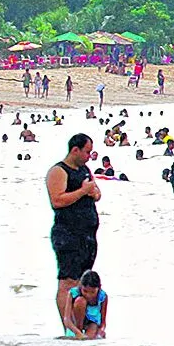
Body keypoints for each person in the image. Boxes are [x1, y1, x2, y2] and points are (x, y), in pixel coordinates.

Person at [46, 133, 101, 330]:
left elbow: (96, 192)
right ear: (75, 150)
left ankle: (81, 324)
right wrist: (83, 192)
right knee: (67, 281)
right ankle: (68, 327)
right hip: (67, 233)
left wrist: (93, 192)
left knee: (83, 282)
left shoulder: (85, 169)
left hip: (87, 235)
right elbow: (57, 200)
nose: (89, 156)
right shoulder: (59, 171)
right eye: (87, 152)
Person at [64, 269, 109, 339]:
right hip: (76, 324)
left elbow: (103, 323)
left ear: (99, 288)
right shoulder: (73, 293)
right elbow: (67, 319)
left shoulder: (103, 296)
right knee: (81, 301)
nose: (88, 295)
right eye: (85, 291)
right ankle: (79, 330)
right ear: (81, 286)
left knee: (90, 339)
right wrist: (78, 332)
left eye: (93, 292)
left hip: (92, 323)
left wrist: (101, 331)